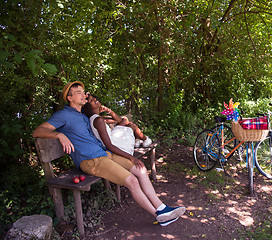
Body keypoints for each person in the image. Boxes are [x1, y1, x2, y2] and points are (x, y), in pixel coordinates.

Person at [32, 81, 185, 226]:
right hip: (90, 160)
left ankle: (162, 207)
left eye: (83, 92)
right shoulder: (63, 115)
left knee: (141, 169)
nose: (83, 94)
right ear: (69, 98)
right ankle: (159, 217)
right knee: (132, 181)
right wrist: (59, 135)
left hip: (104, 154)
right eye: (78, 93)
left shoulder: (83, 116)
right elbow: (38, 131)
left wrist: (107, 112)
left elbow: (116, 121)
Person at [82, 94, 151, 157]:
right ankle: (145, 139)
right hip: (117, 146)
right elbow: (109, 145)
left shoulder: (96, 118)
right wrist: (130, 157)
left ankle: (138, 140)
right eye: (91, 100)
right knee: (131, 125)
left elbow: (119, 120)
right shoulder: (97, 120)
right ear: (88, 107)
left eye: (93, 97)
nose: (94, 99)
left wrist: (108, 110)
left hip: (114, 140)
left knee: (126, 121)